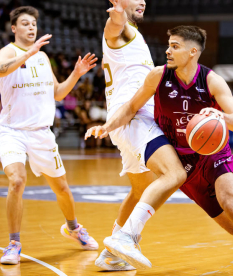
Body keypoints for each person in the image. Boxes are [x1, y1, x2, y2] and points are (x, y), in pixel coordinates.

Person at [86, 25, 233, 276]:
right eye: (169, 45)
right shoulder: (158, 76)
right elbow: (131, 107)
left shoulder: (211, 80)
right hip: (184, 163)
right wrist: (107, 126)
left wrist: (219, 115)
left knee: (231, 203)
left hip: (214, 154)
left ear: (193, 52)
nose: (167, 50)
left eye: (174, 46)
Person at [0, 6, 99, 265]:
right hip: (12, 131)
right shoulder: (9, 51)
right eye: (25, 24)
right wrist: (27, 53)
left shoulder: (42, 58)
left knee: (61, 188)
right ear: (14, 28)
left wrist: (76, 73)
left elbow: (58, 93)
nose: (31, 27)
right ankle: (13, 243)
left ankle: (73, 228)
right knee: (17, 181)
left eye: (33, 24)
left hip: (41, 134)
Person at [91, 0, 187, 271]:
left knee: (141, 189)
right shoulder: (121, 31)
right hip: (134, 120)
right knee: (175, 174)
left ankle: (111, 255)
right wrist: (118, 15)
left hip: (127, 123)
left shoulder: (135, 35)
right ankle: (126, 238)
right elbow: (113, 28)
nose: (143, 0)